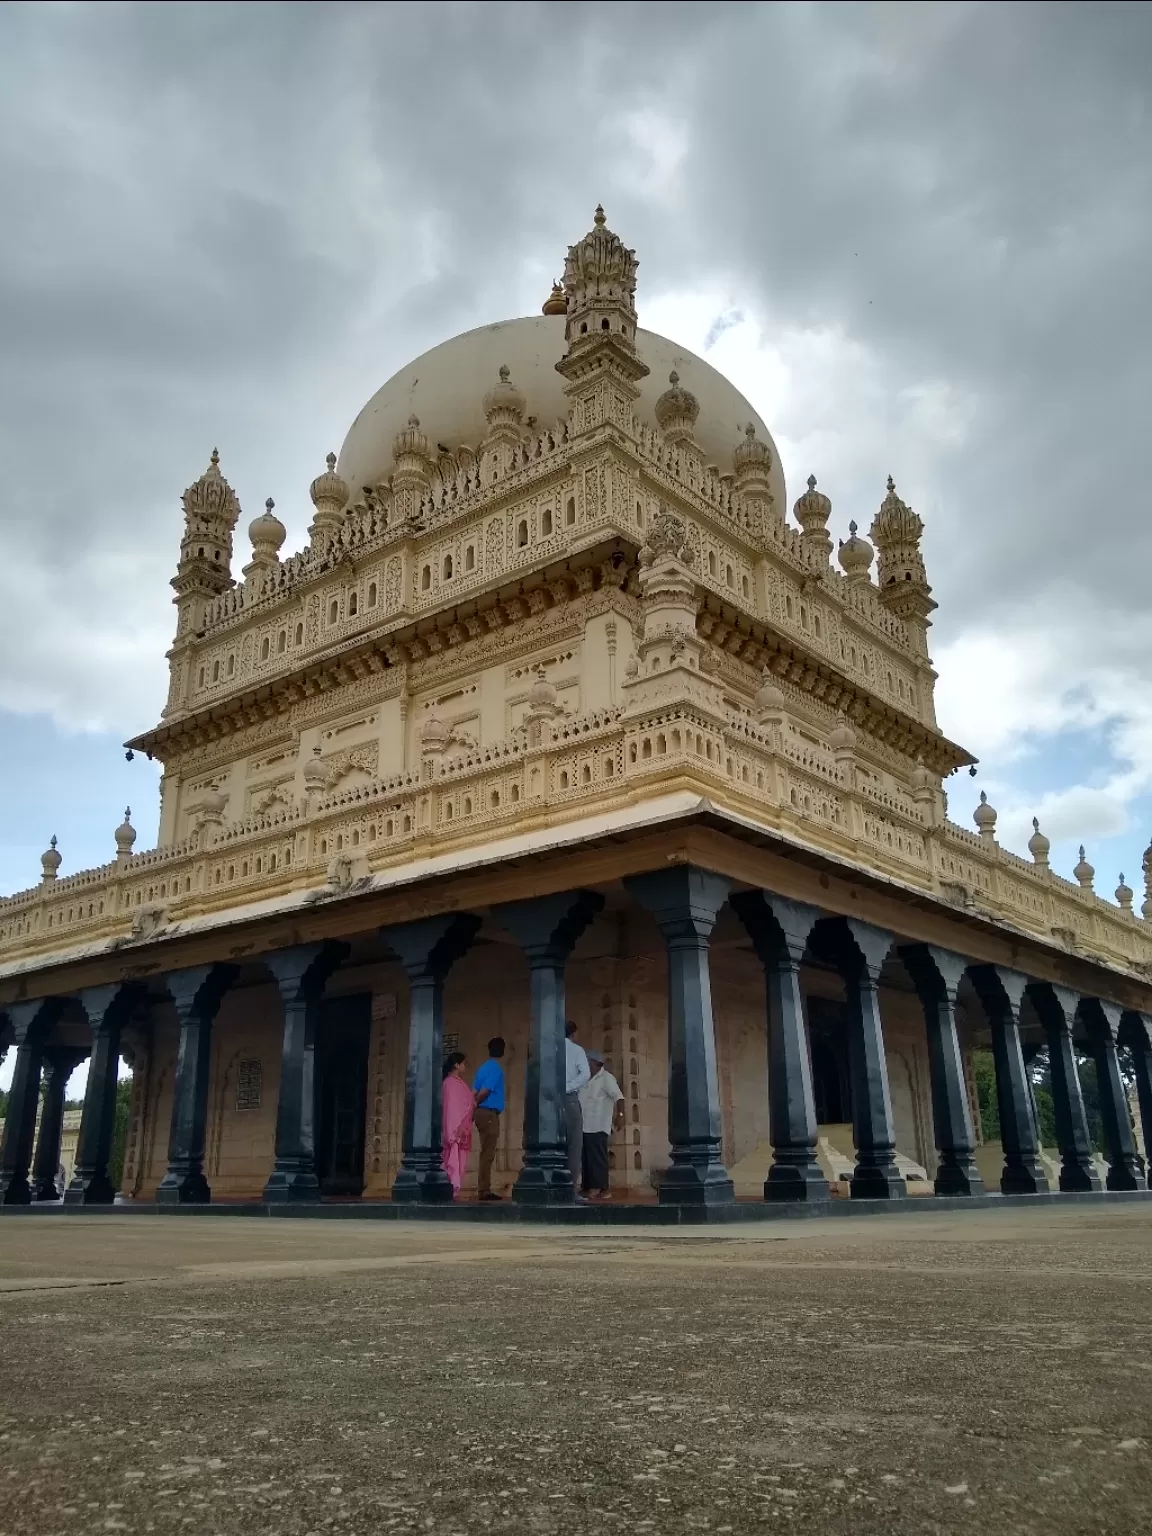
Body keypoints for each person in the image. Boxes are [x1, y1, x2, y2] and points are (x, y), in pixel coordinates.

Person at [578, 1050, 625, 1201]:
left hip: (598, 1125)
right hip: (584, 1125)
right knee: (586, 1158)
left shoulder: (606, 1078)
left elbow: (619, 1098)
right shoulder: (585, 1078)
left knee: (597, 1158)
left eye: (588, 1062)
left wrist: (620, 1116)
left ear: (595, 1063)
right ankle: (590, 1187)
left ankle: (598, 1188)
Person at [472, 1036, 506, 1201]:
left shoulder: (482, 1068)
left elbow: (474, 1091)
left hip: (481, 1112)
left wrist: (473, 1106)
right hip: (489, 1113)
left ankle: (483, 1188)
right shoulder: (495, 1068)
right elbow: (484, 1091)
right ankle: (484, 1190)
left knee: (485, 1151)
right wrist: (477, 1103)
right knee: (488, 1153)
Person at [441, 1051, 475, 1197]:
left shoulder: (458, 1083)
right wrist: (455, 1128)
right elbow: (452, 1108)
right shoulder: (449, 1084)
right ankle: (449, 1190)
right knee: (452, 1161)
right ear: (456, 1065)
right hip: (455, 1130)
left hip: (463, 1129)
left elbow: (467, 1102)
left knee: (461, 1163)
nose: (465, 1066)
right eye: (463, 1063)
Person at [564, 1020, 590, 1198]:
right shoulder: (576, 1050)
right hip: (570, 1100)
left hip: (550, 1102)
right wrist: (568, 1087)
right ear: (573, 1033)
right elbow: (585, 1074)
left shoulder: (551, 1049)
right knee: (574, 1146)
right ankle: (570, 1189)